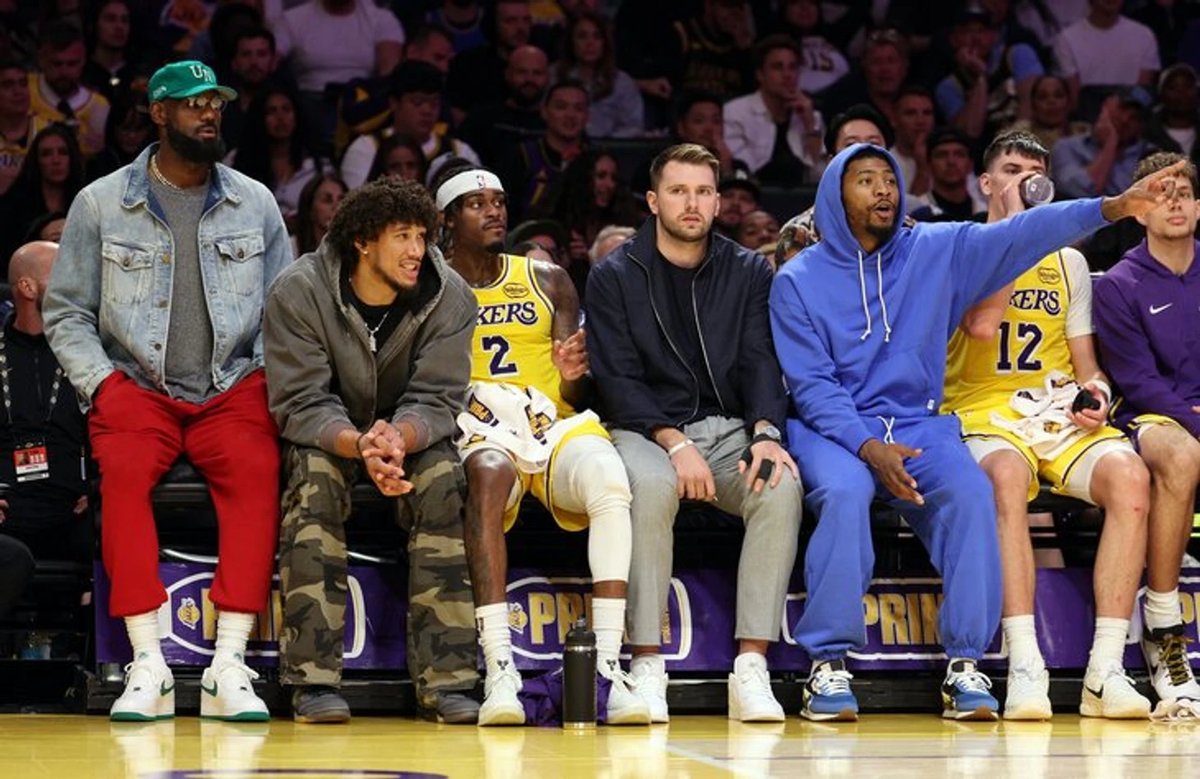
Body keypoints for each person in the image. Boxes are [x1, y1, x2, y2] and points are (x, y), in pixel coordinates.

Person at [768, 140, 1184, 722]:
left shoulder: (933, 248)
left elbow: (1024, 233)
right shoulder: (797, 280)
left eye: (889, 179)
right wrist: (868, 448)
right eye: (866, 180)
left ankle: (965, 663)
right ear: (835, 196)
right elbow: (811, 387)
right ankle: (827, 665)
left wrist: (1110, 208)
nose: (884, 189)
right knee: (845, 493)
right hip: (834, 428)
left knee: (970, 493)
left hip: (916, 421)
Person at [43, 60, 291, 722]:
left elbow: (283, 310)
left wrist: (265, 376)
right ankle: (146, 661)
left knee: (258, 471)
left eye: (215, 103)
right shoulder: (99, 203)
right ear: (158, 113)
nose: (209, 114)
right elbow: (66, 311)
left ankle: (228, 663)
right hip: (135, 387)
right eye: (192, 104)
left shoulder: (256, 201)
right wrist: (100, 384)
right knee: (120, 477)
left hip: (232, 383)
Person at [587, 143, 803, 723]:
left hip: (731, 430)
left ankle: (751, 667)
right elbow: (617, 380)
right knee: (652, 488)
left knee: (779, 484)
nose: (693, 203)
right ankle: (647, 663)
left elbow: (761, 360)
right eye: (679, 191)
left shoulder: (748, 269)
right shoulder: (614, 274)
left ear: (717, 200)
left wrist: (765, 432)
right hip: (644, 430)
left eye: (704, 191)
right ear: (654, 201)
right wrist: (674, 442)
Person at [942, 130, 1152, 720]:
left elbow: (1087, 364)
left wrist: (1097, 394)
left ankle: (1104, 670)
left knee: (1131, 478)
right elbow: (981, 328)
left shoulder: (1071, 262)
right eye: (1011, 171)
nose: (1025, 183)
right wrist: (1013, 236)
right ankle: (1025, 664)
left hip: (1054, 412)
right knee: (1006, 477)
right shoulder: (956, 249)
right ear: (986, 183)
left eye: (1035, 173)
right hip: (980, 412)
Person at [431, 160, 647, 727]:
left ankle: (607, 665)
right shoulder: (430, 284)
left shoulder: (546, 277)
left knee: (608, 476)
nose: (494, 210)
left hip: (549, 421)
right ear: (447, 219)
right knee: (490, 469)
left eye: (499, 200)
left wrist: (574, 369)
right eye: (478, 203)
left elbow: (576, 383)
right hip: (477, 424)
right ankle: (499, 664)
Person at [264, 176, 481, 725]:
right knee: (314, 480)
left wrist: (397, 438)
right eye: (402, 236)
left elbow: (438, 397)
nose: (417, 251)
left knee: (442, 483)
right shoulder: (300, 290)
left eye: (422, 236)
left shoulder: (450, 294)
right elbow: (300, 401)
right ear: (363, 242)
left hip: (409, 435)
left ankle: (448, 682)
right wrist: (359, 444)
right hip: (329, 435)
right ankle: (311, 683)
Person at [1093, 151, 1200, 708]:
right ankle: (1163, 624)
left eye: (1184, 190)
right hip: (1149, 417)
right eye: (1161, 192)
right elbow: (1136, 380)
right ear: (1139, 211)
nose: (1175, 201)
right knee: (1181, 454)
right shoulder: (1118, 284)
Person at [0, 241, 91, 620]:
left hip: (73, 508)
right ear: (27, 287)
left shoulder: (86, 351)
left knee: (116, 535)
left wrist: (97, 488)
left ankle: (106, 665)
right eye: (61, 276)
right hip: (7, 509)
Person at [723, 35, 824, 186]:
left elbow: (820, 175)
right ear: (760, 75)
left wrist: (809, 125)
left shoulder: (811, 115)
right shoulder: (735, 113)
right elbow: (744, 171)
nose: (787, 75)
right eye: (778, 67)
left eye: (792, 67)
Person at [556, 10, 643, 139]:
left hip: (610, 150)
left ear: (605, 43)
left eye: (597, 36)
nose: (590, 43)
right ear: (571, 42)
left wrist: (605, 143)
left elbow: (634, 126)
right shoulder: (554, 76)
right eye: (582, 36)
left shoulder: (622, 83)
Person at [28, 21, 110, 158]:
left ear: (83, 60)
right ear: (41, 59)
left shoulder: (99, 106)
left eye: (72, 64)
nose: (64, 71)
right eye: (57, 64)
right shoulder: (21, 89)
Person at [292, 173, 346, 258]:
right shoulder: (291, 248)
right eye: (327, 200)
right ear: (310, 210)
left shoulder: (357, 250)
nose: (336, 206)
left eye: (341, 200)